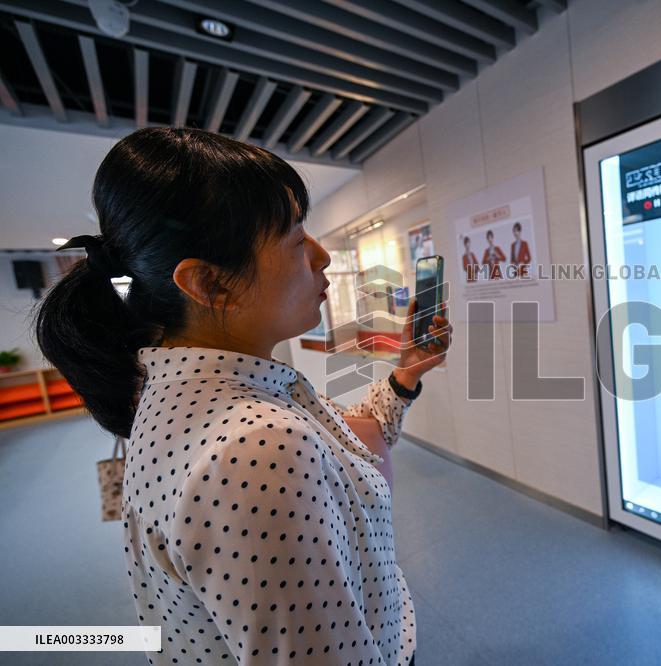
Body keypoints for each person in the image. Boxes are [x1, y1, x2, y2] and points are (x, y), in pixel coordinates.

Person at [33, 127, 451, 666]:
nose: (322, 256)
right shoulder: (257, 446)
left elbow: (347, 436)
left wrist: (406, 374)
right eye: (297, 239)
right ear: (209, 283)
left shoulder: (198, 395)